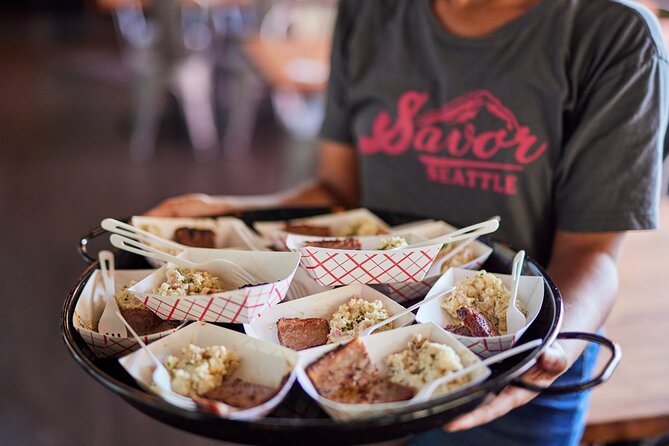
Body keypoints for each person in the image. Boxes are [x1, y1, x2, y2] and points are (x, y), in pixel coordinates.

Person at [146, 0, 669, 444]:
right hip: (350, 341)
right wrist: (233, 210)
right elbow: (338, 196)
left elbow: (593, 250)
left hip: (512, 371)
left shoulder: (611, 35)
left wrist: (551, 344)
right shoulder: (372, 11)